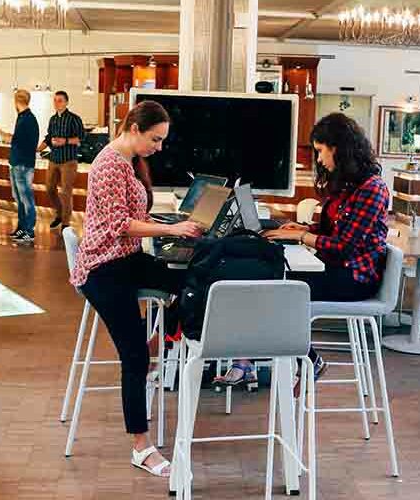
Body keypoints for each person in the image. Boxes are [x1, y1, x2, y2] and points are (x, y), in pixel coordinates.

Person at [71, 100, 202, 478]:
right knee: (134, 356)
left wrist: (169, 222)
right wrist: (172, 229)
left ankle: (168, 337)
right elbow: (119, 227)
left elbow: (134, 218)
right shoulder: (108, 164)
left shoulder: (128, 161)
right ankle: (140, 446)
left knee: (190, 281)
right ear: (133, 128)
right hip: (103, 268)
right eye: (155, 139)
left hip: (125, 261)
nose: (159, 148)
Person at [216, 113, 389, 388]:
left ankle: (302, 359)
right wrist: (304, 229)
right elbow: (334, 233)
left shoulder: (372, 189)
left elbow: (345, 247)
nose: (319, 159)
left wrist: (302, 236)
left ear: (339, 147)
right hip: (332, 268)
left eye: (321, 151)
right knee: (264, 275)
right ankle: (248, 360)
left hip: (354, 279)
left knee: (276, 286)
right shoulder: (345, 184)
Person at [0, 90, 40, 243]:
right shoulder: (24, 117)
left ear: (16, 101)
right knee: (19, 198)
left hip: (22, 164)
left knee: (26, 198)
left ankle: (29, 230)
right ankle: (22, 227)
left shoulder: (27, 119)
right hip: (18, 162)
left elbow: (14, 140)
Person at [38, 90, 84, 231]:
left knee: (65, 192)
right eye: (55, 100)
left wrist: (64, 141)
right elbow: (48, 138)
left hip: (68, 161)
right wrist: (38, 148)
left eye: (60, 100)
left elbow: (81, 138)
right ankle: (60, 213)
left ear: (66, 102)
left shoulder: (74, 118)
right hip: (54, 159)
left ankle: (65, 222)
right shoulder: (53, 119)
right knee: (50, 188)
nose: (57, 103)